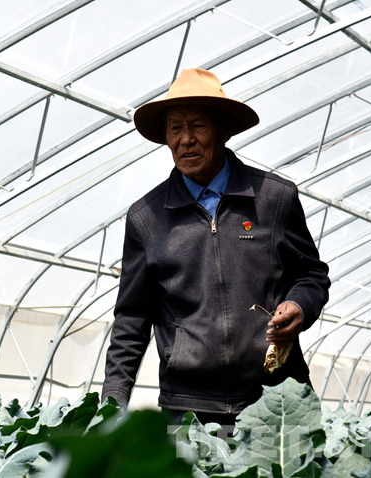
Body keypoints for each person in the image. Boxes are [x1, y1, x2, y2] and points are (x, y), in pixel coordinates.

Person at [101, 68, 330, 426]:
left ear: (224, 131)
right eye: (175, 128)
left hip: (278, 400)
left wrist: (300, 305)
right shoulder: (147, 218)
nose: (186, 139)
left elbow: (311, 274)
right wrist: (112, 403)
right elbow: (132, 317)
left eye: (198, 126)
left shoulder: (274, 198)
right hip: (188, 410)